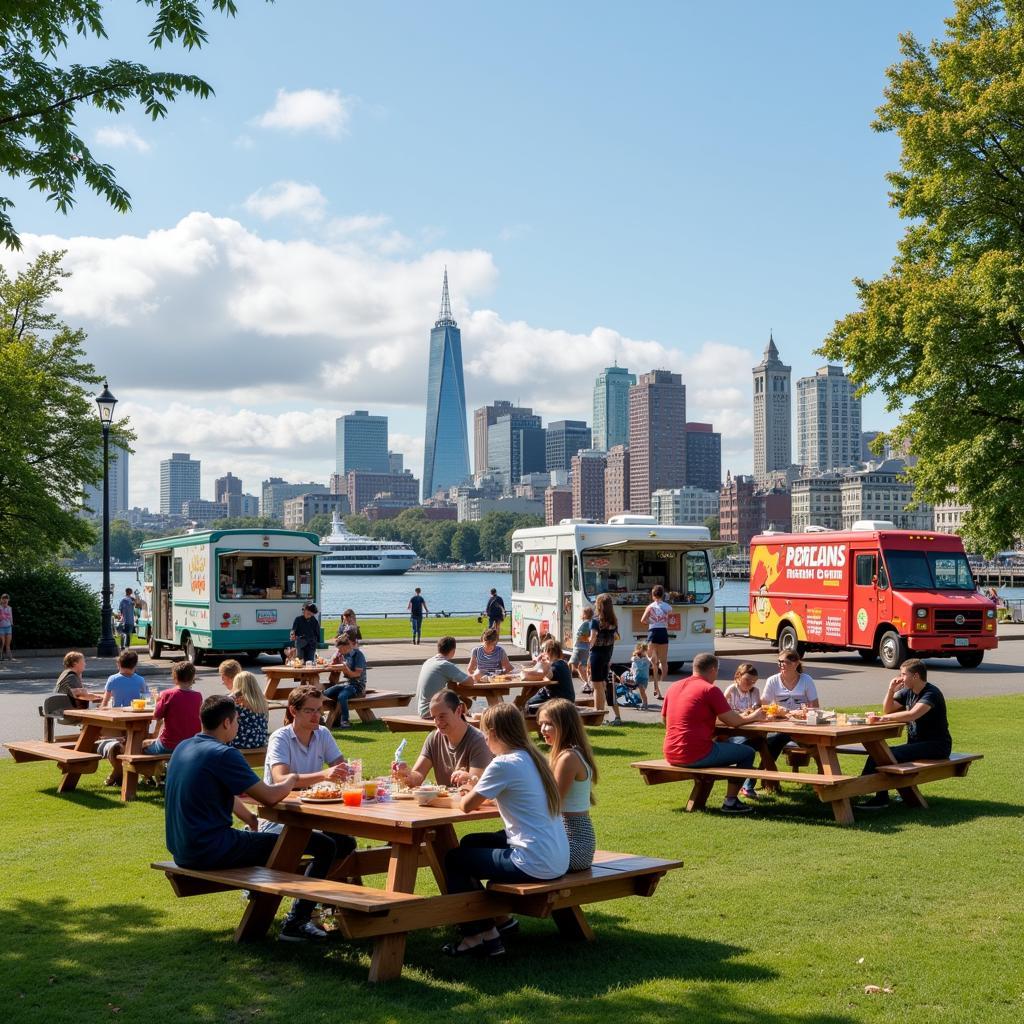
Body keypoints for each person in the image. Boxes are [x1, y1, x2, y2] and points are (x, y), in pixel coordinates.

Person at [164, 694, 339, 943]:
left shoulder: (184, 747)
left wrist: (251, 819)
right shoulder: (224, 754)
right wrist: (291, 780)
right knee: (325, 845)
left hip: (182, 849)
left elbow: (225, 793)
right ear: (226, 723)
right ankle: (296, 923)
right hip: (211, 849)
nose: (238, 725)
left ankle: (322, 913)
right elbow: (269, 797)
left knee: (298, 843)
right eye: (236, 721)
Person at [442, 703, 570, 957]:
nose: (484, 739)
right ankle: (497, 921)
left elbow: (467, 806)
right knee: (469, 843)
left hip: (533, 862)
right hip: (557, 857)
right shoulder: (533, 757)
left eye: (484, 733)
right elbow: (510, 794)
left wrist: (466, 790)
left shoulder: (503, 764)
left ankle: (477, 935)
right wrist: (476, 785)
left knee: (453, 859)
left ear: (493, 733)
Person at [256, 686, 357, 936]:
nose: (316, 716)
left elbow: (341, 767)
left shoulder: (322, 734)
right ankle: (296, 920)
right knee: (326, 846)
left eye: (319, 710)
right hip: (279, 819)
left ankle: (320, 902)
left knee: (345, 842)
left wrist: (348, 772)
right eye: (310, 711)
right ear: (293, 711)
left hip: (311, 816)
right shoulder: (280, 737)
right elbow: (280, 778)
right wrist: (323, 775)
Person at [662, 652, 763, 813]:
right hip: (696, 753)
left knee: (724, 744)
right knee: (747, 753)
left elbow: (665, 720)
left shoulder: (674, 687)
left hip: (671, 752)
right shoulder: (710, 689)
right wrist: (754, 716)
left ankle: (729, 799)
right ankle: (731, 801)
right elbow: (734, 721)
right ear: (713, 670)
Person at [858, 659, 952, 810]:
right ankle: (868, 792)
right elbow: (888, 709)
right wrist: (891, 690)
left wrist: (882, 719)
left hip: (937, 746)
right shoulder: (908, 692)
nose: (900, 678)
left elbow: (912, 715)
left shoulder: (931, 693)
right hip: (916, 745)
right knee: (879, 754)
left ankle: (858, 790)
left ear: (915, 676)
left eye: (903, 674)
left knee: (883, 755)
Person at [537, 698, 598, 871]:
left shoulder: (568, 758)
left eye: (548, 724)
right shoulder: (563, 755)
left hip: (573, 846)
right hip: (561, 840)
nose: (542, 729)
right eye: (541, 724)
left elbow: (551, 802)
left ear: (565, 725)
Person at [394, 690, 493, 789]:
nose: (437, 722)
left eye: (442, 716)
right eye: (434, 717)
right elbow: (419, 774)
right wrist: (407, 775)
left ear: (458, 711)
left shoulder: (478, 741)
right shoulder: (434, 739)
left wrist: (468, 778)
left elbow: (476, 787)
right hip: (444, 802)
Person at [757, 651, 821, 779]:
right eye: (779, 662)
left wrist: (804, 712)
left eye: (785, 662)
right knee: (771, 744)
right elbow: (763, 704)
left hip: (801, 726)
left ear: (796, 663)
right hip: (781, 726)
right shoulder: (773, 680)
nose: (781, 665)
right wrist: (775, 710)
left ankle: (823, 774)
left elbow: (815, 706)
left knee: (817, 745)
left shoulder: (806, 680)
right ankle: (753, 783)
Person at [95, 649, 149, 786]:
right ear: (135, 665)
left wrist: (100, 711)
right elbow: (146, 698)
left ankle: (117, 772)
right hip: (135, 718)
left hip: (117, 720)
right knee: (133, 744)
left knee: (111, 743)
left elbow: (105, 701)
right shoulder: (140, 680)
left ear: (118, 664)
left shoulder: (113, 679)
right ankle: (124, 774)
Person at [143, 660, 202, 756]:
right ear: (192, 678)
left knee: (142, 746)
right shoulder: (198, 696)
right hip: (191, 744)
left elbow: (156, 716)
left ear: (175, 677)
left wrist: (158, 701)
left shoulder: (167, 694)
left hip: (169, 745)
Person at [415, 635, 481, 717]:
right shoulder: (444, 665)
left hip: (423, 709)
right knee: (468, 709)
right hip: (431, 711)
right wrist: (476, 675)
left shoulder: (429, 661)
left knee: (462, 703)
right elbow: (470, 682)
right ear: (453, 651)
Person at [726, 664, 764, 801]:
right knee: (748, 747)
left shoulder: (754, 691)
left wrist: (754, 711)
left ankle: (749, 783)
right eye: (747, 680)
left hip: (751, 729)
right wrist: (744, 714)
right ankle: (747, 783)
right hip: (734, 730)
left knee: (764, 744)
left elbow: (757, 708)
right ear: (738, 677)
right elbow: (724, 711)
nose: (750, 684)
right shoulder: (732, 690)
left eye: (753, 681)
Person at [322, 634, 367, 728]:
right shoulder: (343, 655)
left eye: (340, 649)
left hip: (358, 685)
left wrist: (345, 670)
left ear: (347, 646)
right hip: (346, 684)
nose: (339, 651)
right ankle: (321, 716)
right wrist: (332, 663)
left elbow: (357, 674)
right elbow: (335, 665)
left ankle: (345, 721)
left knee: (342, 696)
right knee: (324, 693)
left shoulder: (358, 655)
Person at [589, 593, 621, 724]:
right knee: (603, 684)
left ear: (599, 605)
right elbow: (616, 637)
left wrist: (588, 643)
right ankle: (605, 714)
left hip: (596, 655)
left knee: (597, 686)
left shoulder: (596, 621)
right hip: (607, 655)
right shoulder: (614, 621)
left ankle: (599, 715)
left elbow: (593, 638)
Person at [640, 585, 672, 700]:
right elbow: (669, 619)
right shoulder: (667, 607)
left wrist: (651, 621)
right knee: (664, 662)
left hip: (653, 633)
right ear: (663, 594)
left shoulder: (650, 607)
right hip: (663, 632)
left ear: (653, 595)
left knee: (653, 662)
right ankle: (663, 686)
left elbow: (643, 620)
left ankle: (656, 688)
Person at [525, 639, 576, 711]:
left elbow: (544, 677)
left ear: (548, 651)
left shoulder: (556, 666)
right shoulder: (563, 663)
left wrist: (540, 663)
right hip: (566, 700)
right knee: (527, 702)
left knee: (527, 705)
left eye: (542, 650)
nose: (541, 653)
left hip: (560, 703)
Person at [226, 670, 270, 750]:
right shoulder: (262, 704)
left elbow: (224, 702)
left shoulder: (238, 706)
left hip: (242, 744)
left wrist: (233, 695)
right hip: (260, 742)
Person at [620, 641, 654, 711]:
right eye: (641, 650)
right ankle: (643, 702)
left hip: (643, 678)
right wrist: (632, 668)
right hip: (637, 677)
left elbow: (642, 666)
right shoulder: (635, 658)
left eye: (644, 650)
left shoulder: (646, 659)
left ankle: (645, 703)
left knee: (642, 691)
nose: (642, 652)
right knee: (640, 690)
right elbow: (633, 666)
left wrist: (638, 661)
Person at [569, 606, 594, 692]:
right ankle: (587, 682)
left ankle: (587, 682)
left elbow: (580, 636)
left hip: (580, 647)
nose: (580, 614)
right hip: (585, 648)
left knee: (575, 665)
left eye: (582, 613)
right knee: (581, 666)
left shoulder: (586, 623)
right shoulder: (591, 622)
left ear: (585, 614)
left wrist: (585, 640)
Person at [0, 593, 13, 660]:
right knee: (2, 643)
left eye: (6, 599)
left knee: (8, 643)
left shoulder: (9, 608)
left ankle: (9, 655)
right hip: (1, 627)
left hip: (8, 627)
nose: (5, 600)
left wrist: (11, 624)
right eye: (3, 599)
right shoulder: (0, 607)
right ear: (1, 600)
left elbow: (11, 616)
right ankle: (1, 656)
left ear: (8, 600)